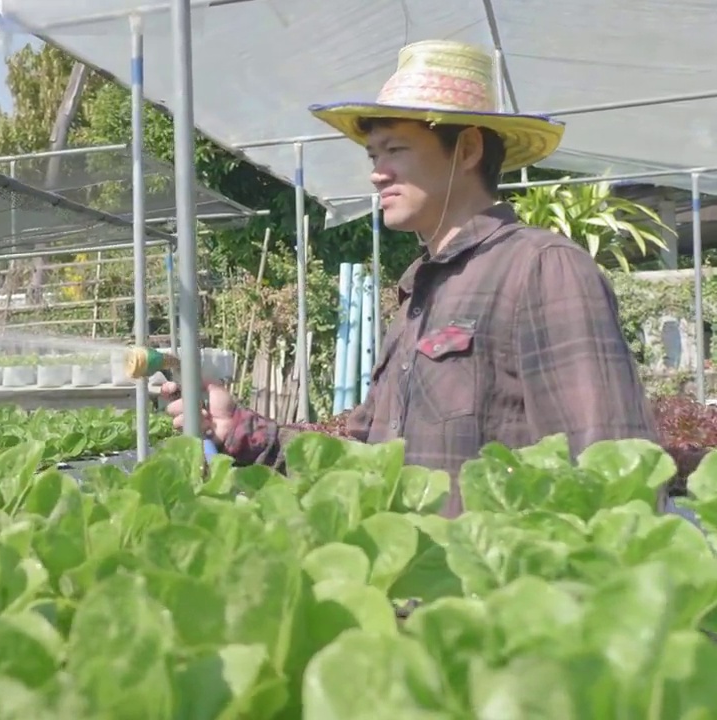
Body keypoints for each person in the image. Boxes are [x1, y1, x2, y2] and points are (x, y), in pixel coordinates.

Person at [162, 39, 658, 517]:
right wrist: (241, 429)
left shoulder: (541, 267)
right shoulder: (417, 294)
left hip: (498, 592)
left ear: (466, 149)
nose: (377, 173)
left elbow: (610, 466)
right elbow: (370, 466)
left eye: (395, 149)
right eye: (373, 156)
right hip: (414, 591)